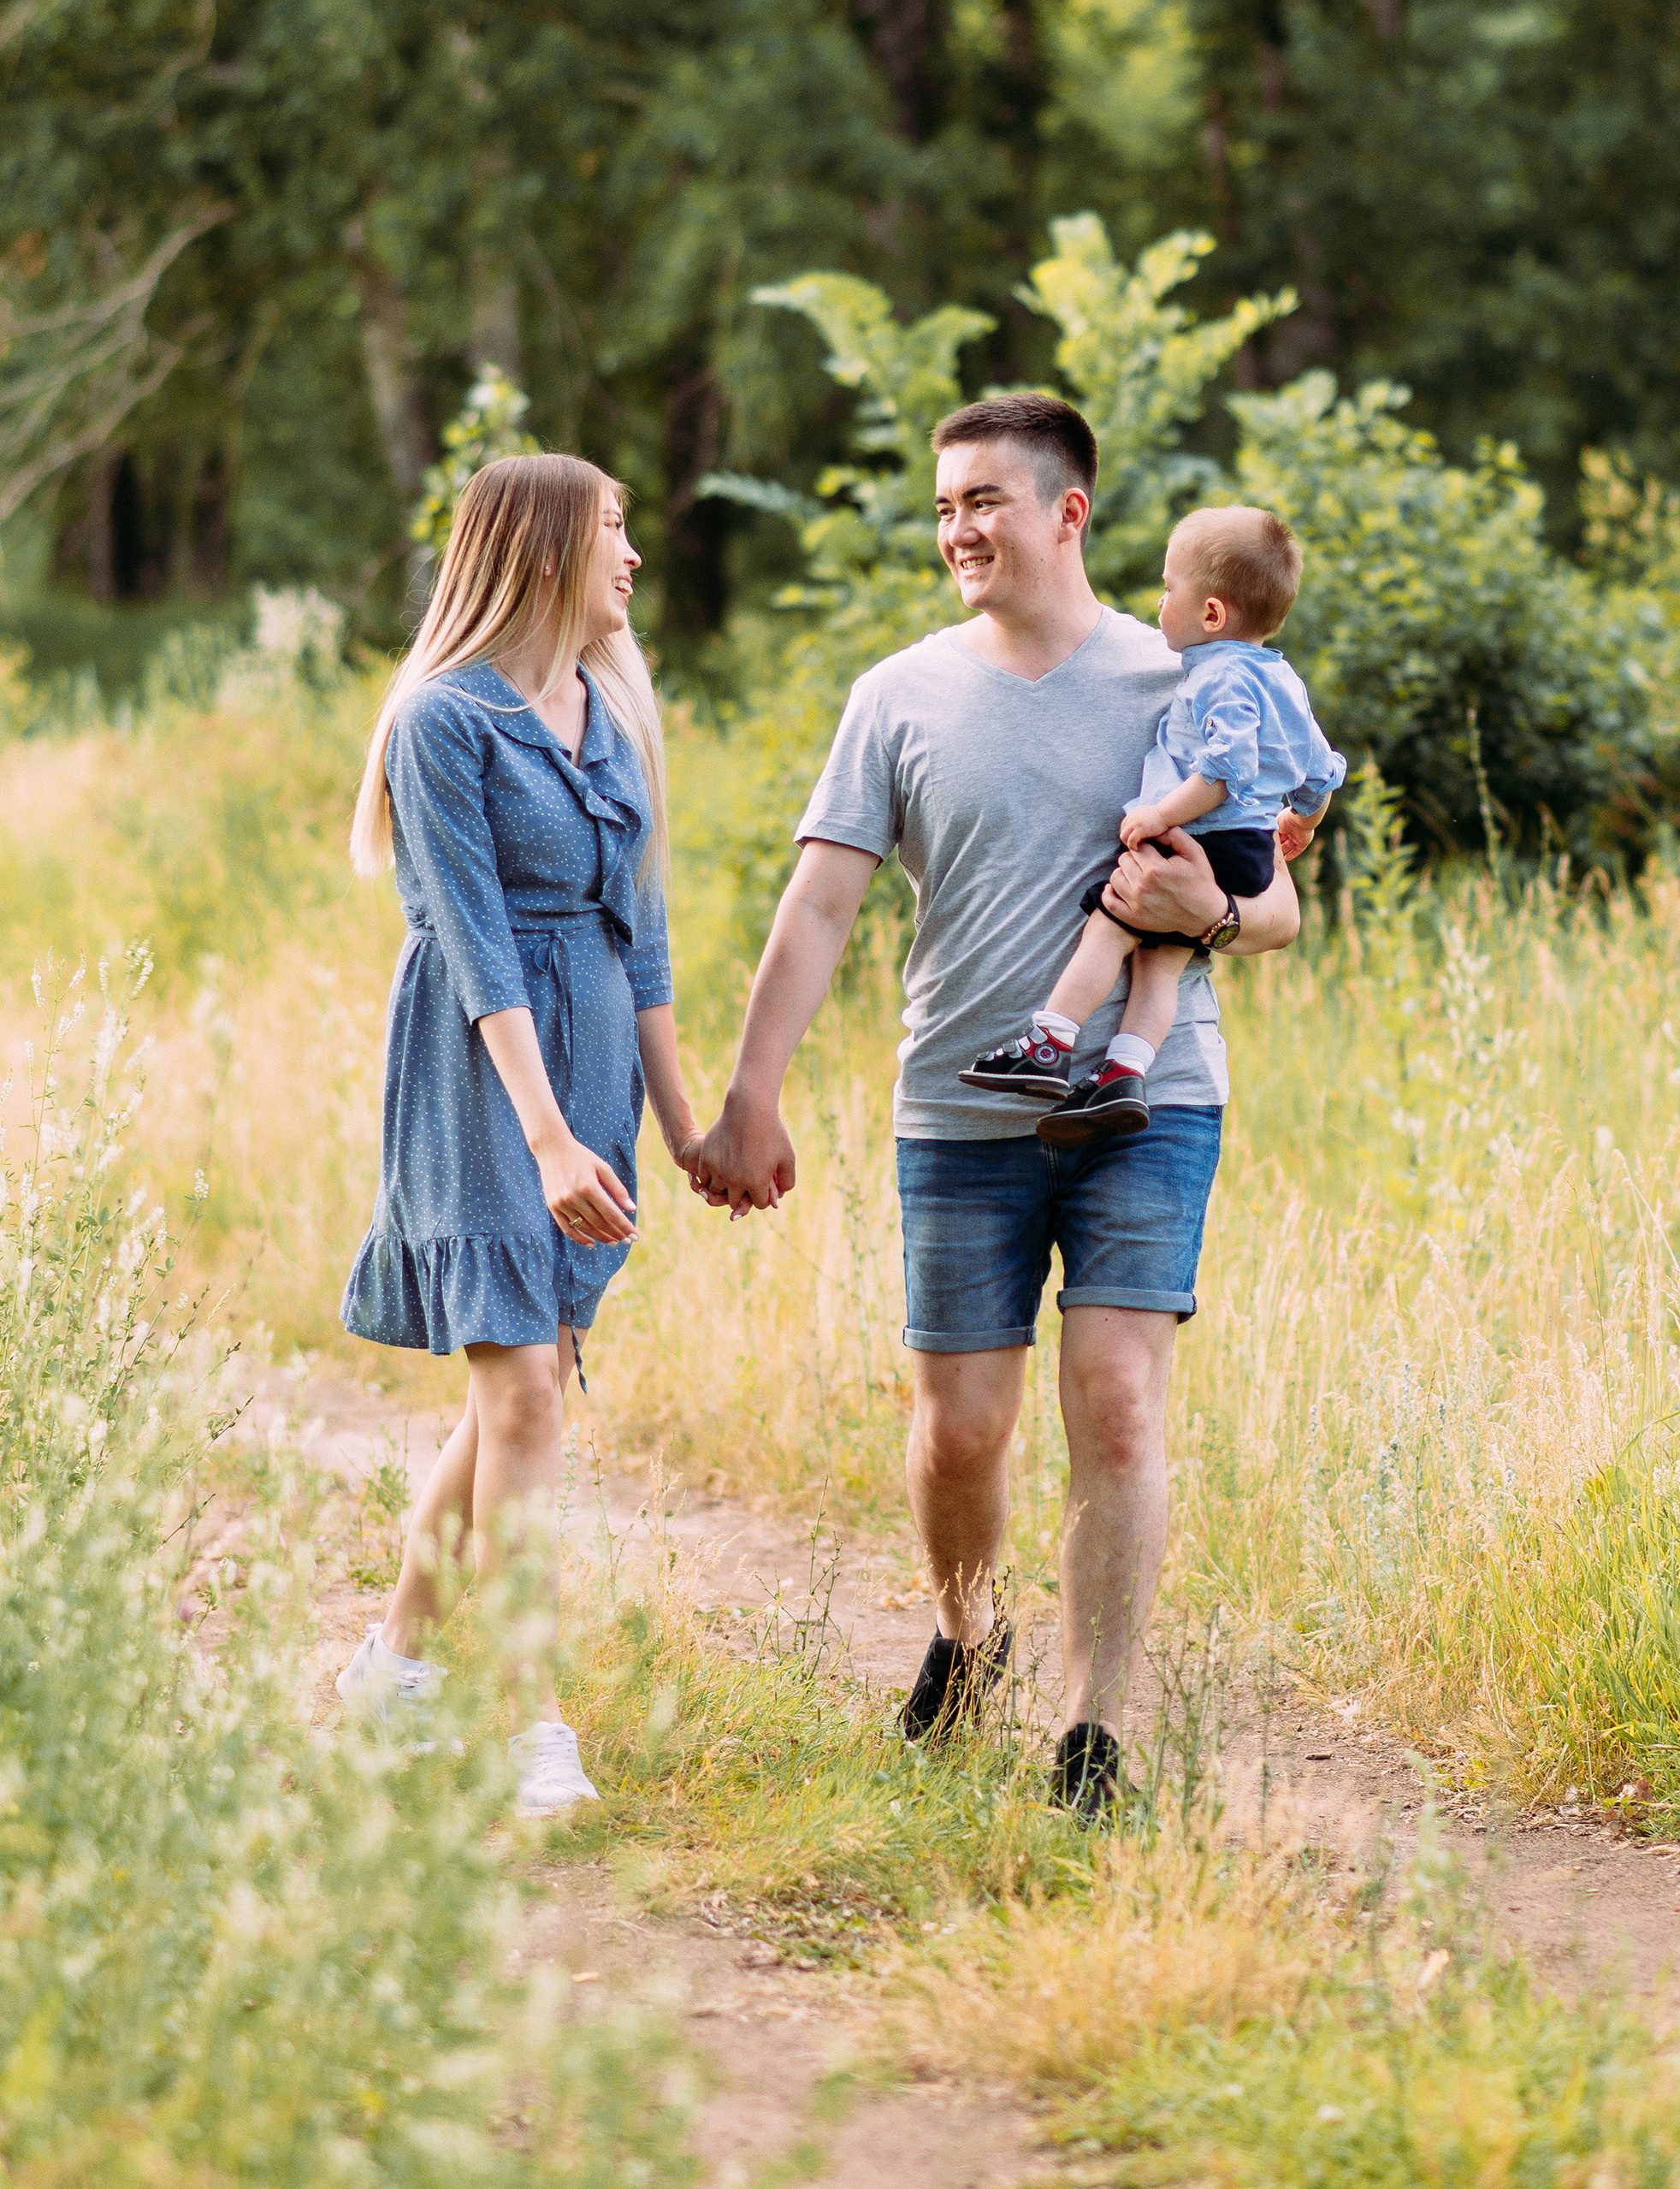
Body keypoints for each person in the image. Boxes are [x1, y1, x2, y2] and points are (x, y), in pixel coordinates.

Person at [692, 393, 1300, 1817]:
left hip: (1152, 1102)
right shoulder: (897, 694)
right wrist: (750, 1092)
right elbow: (821, 903)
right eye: (947, 501)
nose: (958, 526)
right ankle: (972, 1640)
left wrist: (1207, 904)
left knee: (1119, 1405)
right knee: (962, 1426)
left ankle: (1095, 1733)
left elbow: (1276, 913)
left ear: (1067, 512)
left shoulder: (1190, 677)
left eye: (985, 500)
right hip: (959, 1107)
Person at [335, 454, 703, 1817]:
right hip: (486, 1069)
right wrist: (548, 1139)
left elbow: (641, 929)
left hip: (592, 1054)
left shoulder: (611, 704)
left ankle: (393, 1671)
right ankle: (527, 1718)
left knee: (519, 1385)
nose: (633, 559)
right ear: (544, 548)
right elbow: (480, 949)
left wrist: (683, 1123)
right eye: (614, 530)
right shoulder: (441, 718)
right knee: (528, 1389)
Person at [960, 503, 1344, 1145]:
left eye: (1170, 590)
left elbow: (1225, 767)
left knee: (1108, 933)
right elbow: (1321, 772)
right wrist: (1300, 821)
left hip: (1197, 839)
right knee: (1160, 965)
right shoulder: (1283, 678)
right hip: (1246, 849)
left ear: (1212, 613)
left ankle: (1049, 1042)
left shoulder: (1217, 679)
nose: (1160, 603)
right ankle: (1126, 1073)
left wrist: (1158, 814)